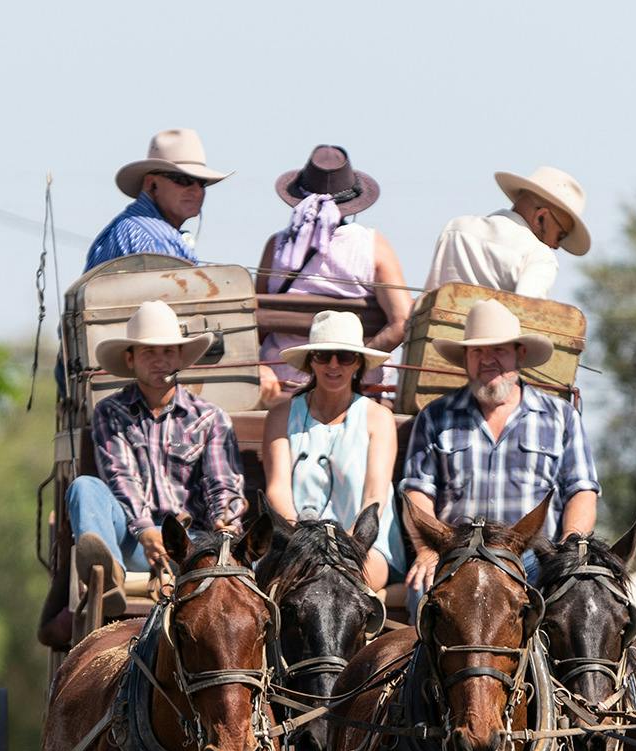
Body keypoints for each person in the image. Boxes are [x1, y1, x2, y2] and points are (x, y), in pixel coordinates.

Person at [397, 299, 599, 594]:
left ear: (520, 354)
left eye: (499, 350)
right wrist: (427, 550)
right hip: (458, 560)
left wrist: (569, 547)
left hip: (535, 560)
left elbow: (581, 491)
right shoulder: (435, 416)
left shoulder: (561, 417)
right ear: (465, 358)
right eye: (477, 351)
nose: (487, 359)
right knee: (422, 594)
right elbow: (417, 493)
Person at [63, 301, 243, 621]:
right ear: (130, 359)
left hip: (191, 546)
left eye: (169, 352)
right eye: (149, 352)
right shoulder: (111, 412)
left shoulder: (211, 419)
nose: (160, 361)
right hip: (132, 542)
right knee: (84, 487)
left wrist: (225, 526)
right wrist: (146, 531)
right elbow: (121, 477)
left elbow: (223, 486)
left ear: (180, 358)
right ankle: (108, 579)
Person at [255, 146, 410, 404]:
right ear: (352, 202)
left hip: (283, 387)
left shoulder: (277, 246)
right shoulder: (373, 247)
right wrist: (354, 364)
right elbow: (402, 322)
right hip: (357, 389)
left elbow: (256, 319)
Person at [261, 310, 405, 589]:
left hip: (365, 545)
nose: (334, 364)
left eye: (345, 356)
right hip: (296, 543)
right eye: (323, 355)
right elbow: (277, 489)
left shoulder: (379, 418)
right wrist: (302, 544)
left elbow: (375, 497)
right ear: (311, 362)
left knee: (339, 580)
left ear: (358, 363)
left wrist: (348, 546)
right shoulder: (280, 417)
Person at [422, 165, 592, 299]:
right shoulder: (539, 255)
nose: (556, 246)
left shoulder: (456, 228)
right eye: (560, 236)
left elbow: (430, 302)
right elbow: (527, 319)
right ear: (541, 218)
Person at [83, 129, 230, 271]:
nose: (196, 191)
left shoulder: (125, 227)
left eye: (202, 182)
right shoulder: (156, 240)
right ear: (151, 184)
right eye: (183, 179)